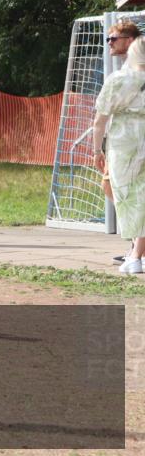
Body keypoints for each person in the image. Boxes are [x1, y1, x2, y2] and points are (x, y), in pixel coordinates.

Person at [92, 37, 145, 275]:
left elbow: (99, 120)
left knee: (127, 197)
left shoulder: (118, 80)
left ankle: (135, 255)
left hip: (124, 141)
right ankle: (138, 253)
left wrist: (96, 150)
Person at [102, 20, 140, 264]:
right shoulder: (121, 72)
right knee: (109, 186)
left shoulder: (136, 68)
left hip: (134, 140)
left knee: (133, 193)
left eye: (113, 38)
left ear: (130, 40)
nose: (109, 44)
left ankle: (138, 247)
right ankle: (137, 241)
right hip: (119, 139)